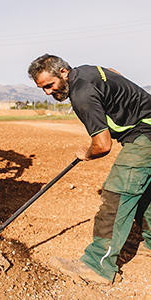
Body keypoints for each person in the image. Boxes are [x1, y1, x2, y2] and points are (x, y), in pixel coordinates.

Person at [27, 54, 151, 285]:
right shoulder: (87, 71)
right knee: (142, 193)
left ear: (63, 72)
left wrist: (87, 153)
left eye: (49, 85)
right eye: (42, 88)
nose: (47, 93)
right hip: (146, 129)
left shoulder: (81, 94)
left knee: (117, 195)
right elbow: (114, 72)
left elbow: (103, 145)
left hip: (145, 135)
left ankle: (97, 265)